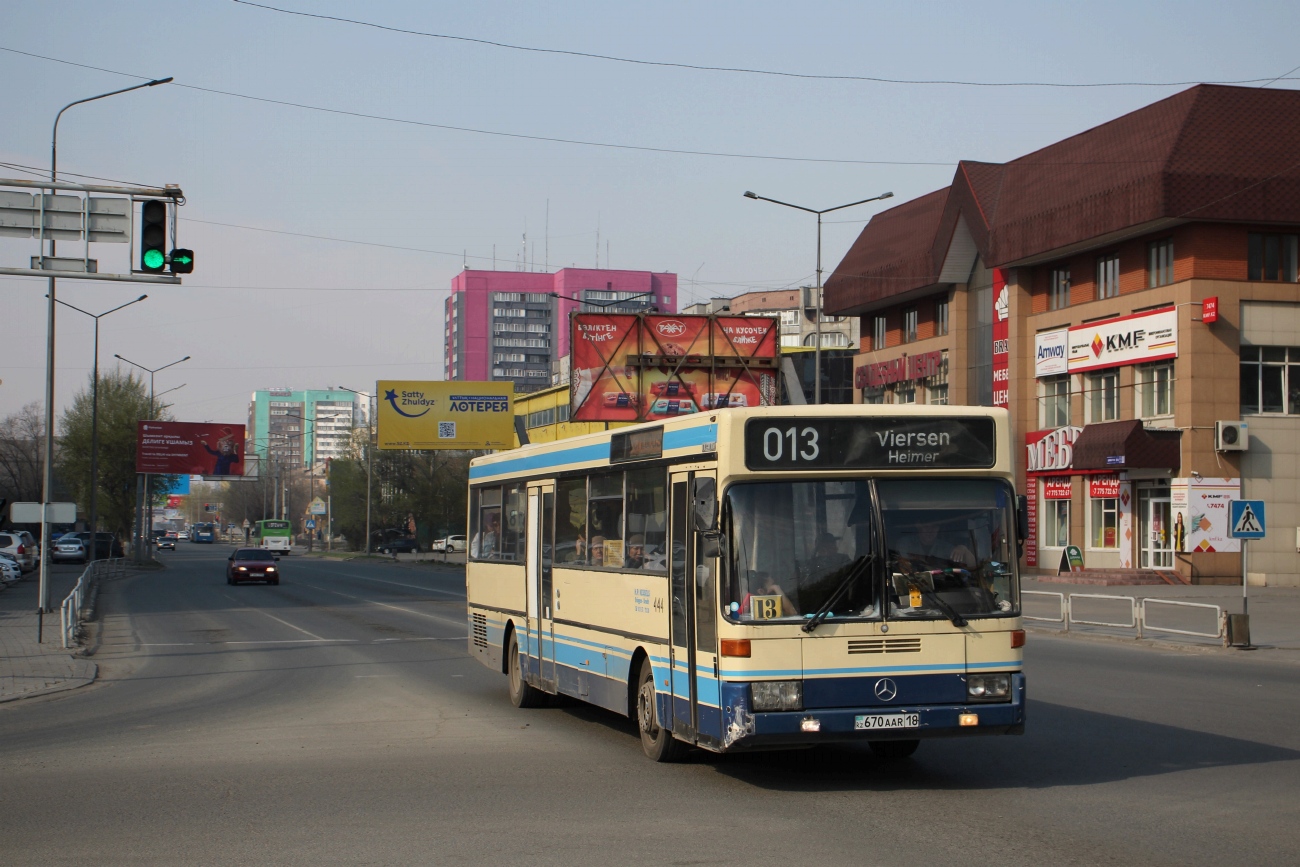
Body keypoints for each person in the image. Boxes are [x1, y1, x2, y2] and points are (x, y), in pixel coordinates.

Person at [900, 519, 977, 570]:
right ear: (918, 526)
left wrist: (964, 550)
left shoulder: (944, 547)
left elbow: (973, 566)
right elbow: (903, 566)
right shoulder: (906, 543)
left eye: (934, 527)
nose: (930, 531)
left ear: (938, 528)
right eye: (926, 527)